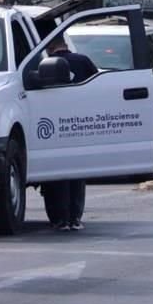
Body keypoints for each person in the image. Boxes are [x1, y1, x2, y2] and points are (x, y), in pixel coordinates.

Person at [40, 35, 98, 232]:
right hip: (79, 125)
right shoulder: (83, 61)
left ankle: (59, 218)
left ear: (50, 47)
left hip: (54, 126)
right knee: (77, 174)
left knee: (55, 176)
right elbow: (97, 86)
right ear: (65, 43)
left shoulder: (44, 64)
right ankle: (75, 217)